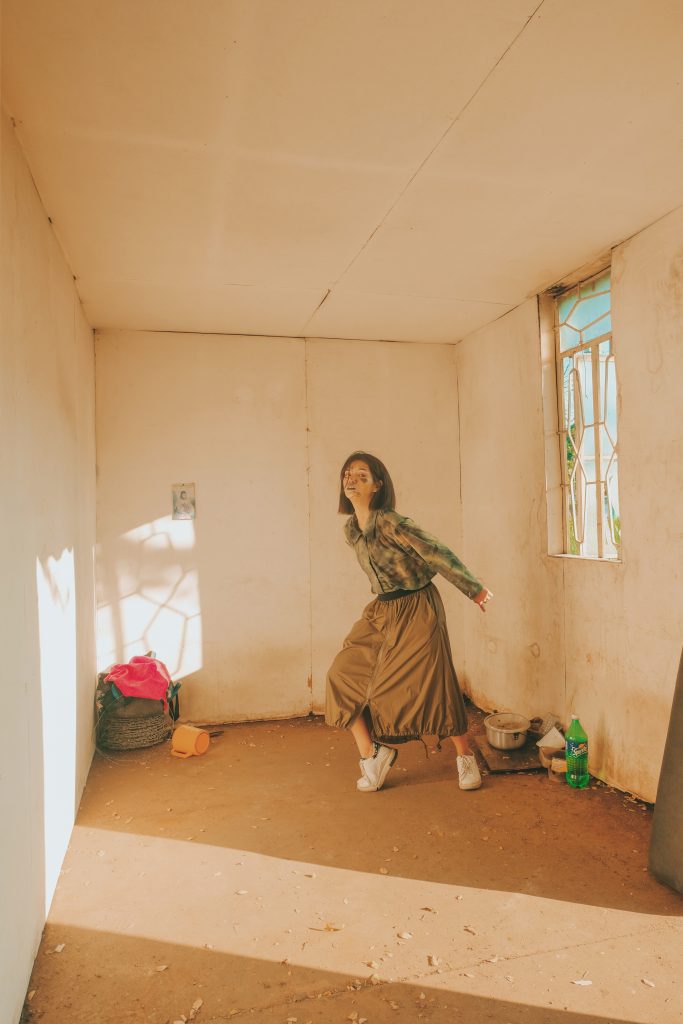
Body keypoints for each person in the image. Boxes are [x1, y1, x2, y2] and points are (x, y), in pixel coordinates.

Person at [326, 451, 493, 793]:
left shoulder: (392, 522)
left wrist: (474, 589)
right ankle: (373, 755)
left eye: (361, 475)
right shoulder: (351, 530)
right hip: (382, 611)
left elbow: (436, 551)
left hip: (418, 606)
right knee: (342, 675)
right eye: (347, 474)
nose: (351, 480)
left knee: (436, 681)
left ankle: (465, 757)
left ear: (377, 485)